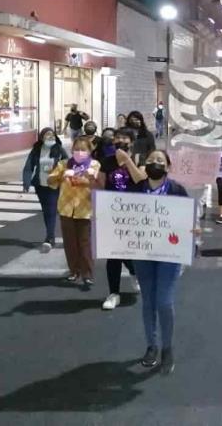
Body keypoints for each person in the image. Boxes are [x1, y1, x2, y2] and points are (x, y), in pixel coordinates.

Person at [122, 149, 189, 375]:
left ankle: (167, 348)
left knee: (164, 302)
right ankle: (151, 345)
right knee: (148, 301)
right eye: (150, 160)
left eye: (160, 161)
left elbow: (188, 219)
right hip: (143, 253)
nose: (154, 163)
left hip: (169, 255)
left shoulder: (177, 190)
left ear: (168, 167)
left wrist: (192, 236)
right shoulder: (136, 190)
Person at [97, 128, 142, 310]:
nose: (121, 140)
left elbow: (140, 180)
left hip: (135, 213)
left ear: (131, 142)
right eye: (118, 137)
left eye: (125, 138)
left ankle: (133, 271)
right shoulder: (106, 162)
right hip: (112, 213)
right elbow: (100, 184)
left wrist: (127, 161)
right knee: (113, 253)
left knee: (128, 251)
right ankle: (113, 293)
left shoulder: (140, 159)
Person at [47, 137, 100, 289]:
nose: (79, 152)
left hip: (85, 209)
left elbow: (96, 183)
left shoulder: (94, 165)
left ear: (90, 151)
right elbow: (50, 181)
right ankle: (74, 271)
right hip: (66, 208)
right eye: (76, 149)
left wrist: (89, 177)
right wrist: (60, 175)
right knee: (70, 243)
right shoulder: (64, 164)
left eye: (83, 149)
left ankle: (87, 274)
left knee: (85, 242)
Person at [22, 128, 68, 252]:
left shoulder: (59, 149)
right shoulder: (37, 150)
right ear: (42, 137)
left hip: (54, 185)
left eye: (51, 135)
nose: (49, 137)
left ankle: (50, 237)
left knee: (52, 210)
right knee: (46, 211)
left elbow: (67, 164)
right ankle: (50, 235)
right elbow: (28, 166)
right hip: (40, 185)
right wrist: (26, 182)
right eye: (46, 135)